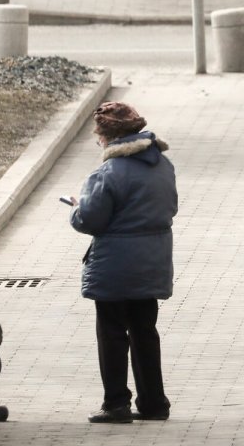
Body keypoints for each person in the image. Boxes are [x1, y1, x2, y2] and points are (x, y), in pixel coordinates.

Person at [66, 101, 178, 424]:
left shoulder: (107, 173)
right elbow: (169, 207)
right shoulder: (163, 166)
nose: (97, 141)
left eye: (98, 135)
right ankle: (154, 402)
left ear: (108, 137)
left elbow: (90, 220)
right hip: (152, 261)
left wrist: (76, 207)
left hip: (115, 266)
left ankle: (116, 403)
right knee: (145, 330)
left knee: (112, 332)